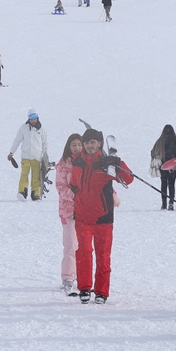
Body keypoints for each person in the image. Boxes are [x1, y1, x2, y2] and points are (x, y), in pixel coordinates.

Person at [69, 128, 134, 303]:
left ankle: (101, 291)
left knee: (103, 255)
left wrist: (118, 162)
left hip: (103, 218)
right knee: (83, 252)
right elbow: (73, 184)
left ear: (99, 144)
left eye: (93, 142)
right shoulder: (77, 162)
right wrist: (79, 198)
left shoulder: (107, 164)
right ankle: (84, 288)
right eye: (87, 142)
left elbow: (128, 179)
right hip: (82, 217)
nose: (90, 145)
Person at [55, 134, 83, 294]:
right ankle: (68, 277)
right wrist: (75, 196)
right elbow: (60, 186)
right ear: (69, 146)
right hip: (68, 211)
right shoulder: (62, 165)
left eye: (79, 144)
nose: (77, 148)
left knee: (83, 245)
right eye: (74, 145)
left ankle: (82, 276)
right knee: (71, 244)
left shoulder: (85, 163)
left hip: (84, 210)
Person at [8, 109, 48, 200]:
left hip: (37, 157)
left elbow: (45, 143)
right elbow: (17, 140)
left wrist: (45, 154)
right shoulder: (23, 128)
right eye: (31, 118)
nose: (33, 120)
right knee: (24, 174)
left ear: (37, 117)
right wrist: (11, 152)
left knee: (36, 176)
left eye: (34, 118)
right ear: (28, 119)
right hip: (25, 156)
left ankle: (36, 193)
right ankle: (22, 191)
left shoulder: (42, 129)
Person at [150, 125, 176, 210]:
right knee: (171, 184)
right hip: (172, 166)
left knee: (163, 184)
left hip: (163, 166)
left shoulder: (159, 141)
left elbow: (153, 152)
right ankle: (171, 203)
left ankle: (164, 203)